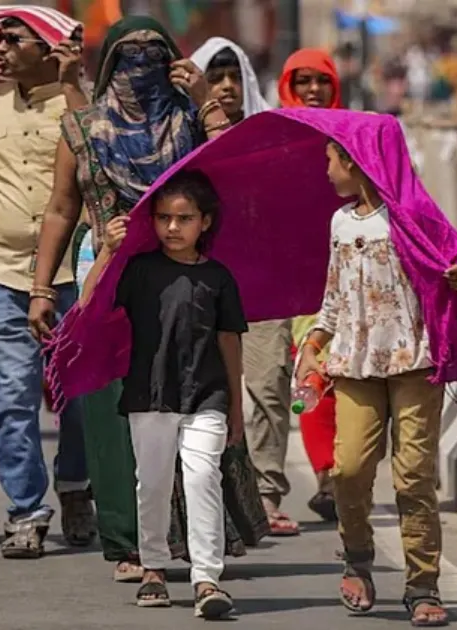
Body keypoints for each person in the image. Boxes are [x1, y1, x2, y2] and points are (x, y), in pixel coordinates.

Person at [27, 16, 251, 584]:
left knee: (186, 398)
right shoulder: (82, 128)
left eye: (155, 56)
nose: (141, 69)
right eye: (129, 57)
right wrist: (39, 287)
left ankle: (183, 536)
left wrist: (202, 97)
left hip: (183, 282)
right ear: (109, 67)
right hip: (103, 273)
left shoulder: (187, 121)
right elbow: (60, 208)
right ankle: (125, 541)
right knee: (109, 409)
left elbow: (234, 165)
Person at [295, 117, 457, 626]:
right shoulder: (340, 224)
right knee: (351, 468)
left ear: (356, 163)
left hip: (415, 361)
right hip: (356, 364)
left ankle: (422, 585)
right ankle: (358, 560)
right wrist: (314, 341)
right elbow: (334, 300)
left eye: (332, 161)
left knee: (413, 476)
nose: (328, 171)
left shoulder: (414, 216)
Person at [0, 17, 96, 558]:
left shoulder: (79, 101)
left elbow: (99, 155)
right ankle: (26, 511)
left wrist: (73, 85)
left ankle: (77, 485)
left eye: (14, 40)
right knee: (13, 399)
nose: (0, 49)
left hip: (74, 276)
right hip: (1, 273)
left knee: (79, 399)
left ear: (48, 47)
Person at [83, 170, 244, 619]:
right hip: (148, 393)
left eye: (184, 218)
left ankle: (207, 578)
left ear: (205, 223)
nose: (172, 228)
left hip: (207, 393)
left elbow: (230, 341)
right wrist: (109, 251)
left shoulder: (219, 277)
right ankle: (153, 567)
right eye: (163, 218)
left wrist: (236, 405)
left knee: (201, 477)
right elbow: (88, 304)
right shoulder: (137, 269)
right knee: (152, 484)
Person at [192, 37, 299, 538]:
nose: (228, 87)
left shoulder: (269, 134)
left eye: (235, 77)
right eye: (216, 78)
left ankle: (267, 494)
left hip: (261, 283)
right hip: (197, 285)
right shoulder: (183, 133)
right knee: (206, 394)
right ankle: (212, 496)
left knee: (268, 386)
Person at [278, 47, 342, 523]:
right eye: (302, 82)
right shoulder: (274, 137)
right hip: (299, 278)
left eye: (320, 81)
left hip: (355, 274)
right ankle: (327, 477)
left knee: (352, 378)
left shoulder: (357, 134)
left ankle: (346, 471)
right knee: (312, 375)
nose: (312, 91)